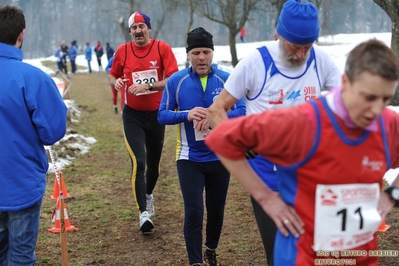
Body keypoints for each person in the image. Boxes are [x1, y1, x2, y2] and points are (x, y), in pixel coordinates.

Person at [206, 39, 399, 266]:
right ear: (345, 82)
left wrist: (391, 196)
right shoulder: (301, 122)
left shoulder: (388, 124)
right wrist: (266, 198)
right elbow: (222, 139)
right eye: (368, 97)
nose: (377, 109)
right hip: (303, 258)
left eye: (386, 99)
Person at [207, 1, 341, 265]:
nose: (301, 54)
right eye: (295, 46)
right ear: (279, 34)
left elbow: (346, 104)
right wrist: (239, 143)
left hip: (310, 172)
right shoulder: (256, 63)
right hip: (268, 176)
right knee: (280, 254)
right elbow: (216, 110)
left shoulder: (321, 61)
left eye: (307, 47)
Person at [158, 27, 246, 266]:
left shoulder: (227, 79)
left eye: (206, 51)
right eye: (196, 52)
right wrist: (186, 114)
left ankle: (211, 250)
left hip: (220, 156)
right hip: (189, 158)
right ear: (189, 55)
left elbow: (243, 110)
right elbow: (162, 115)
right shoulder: (177, 81)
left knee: (216, 211)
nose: (201, 57)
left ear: (212, 53)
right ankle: (195, 261)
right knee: (195, 211)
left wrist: (218, 116)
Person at [0, 5, 68, 265]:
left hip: (18, 184)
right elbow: (52, 132)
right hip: (21, 184)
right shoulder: (34, 79)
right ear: (21, 35)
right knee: (19, 255)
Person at [108, 11, 179, 234]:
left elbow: (173, 79)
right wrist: (117, 81)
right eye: (134, 28)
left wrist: (148, 86)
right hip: (133, 115)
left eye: (142, 26)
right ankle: (143, 213)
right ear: (130, 32)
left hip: (157, 115)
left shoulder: (162, 49)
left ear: (149, 29)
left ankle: (148, 195)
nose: (138, 31)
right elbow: (111, 75)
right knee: (139, 161)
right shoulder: (123, 51)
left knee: (154, 168)